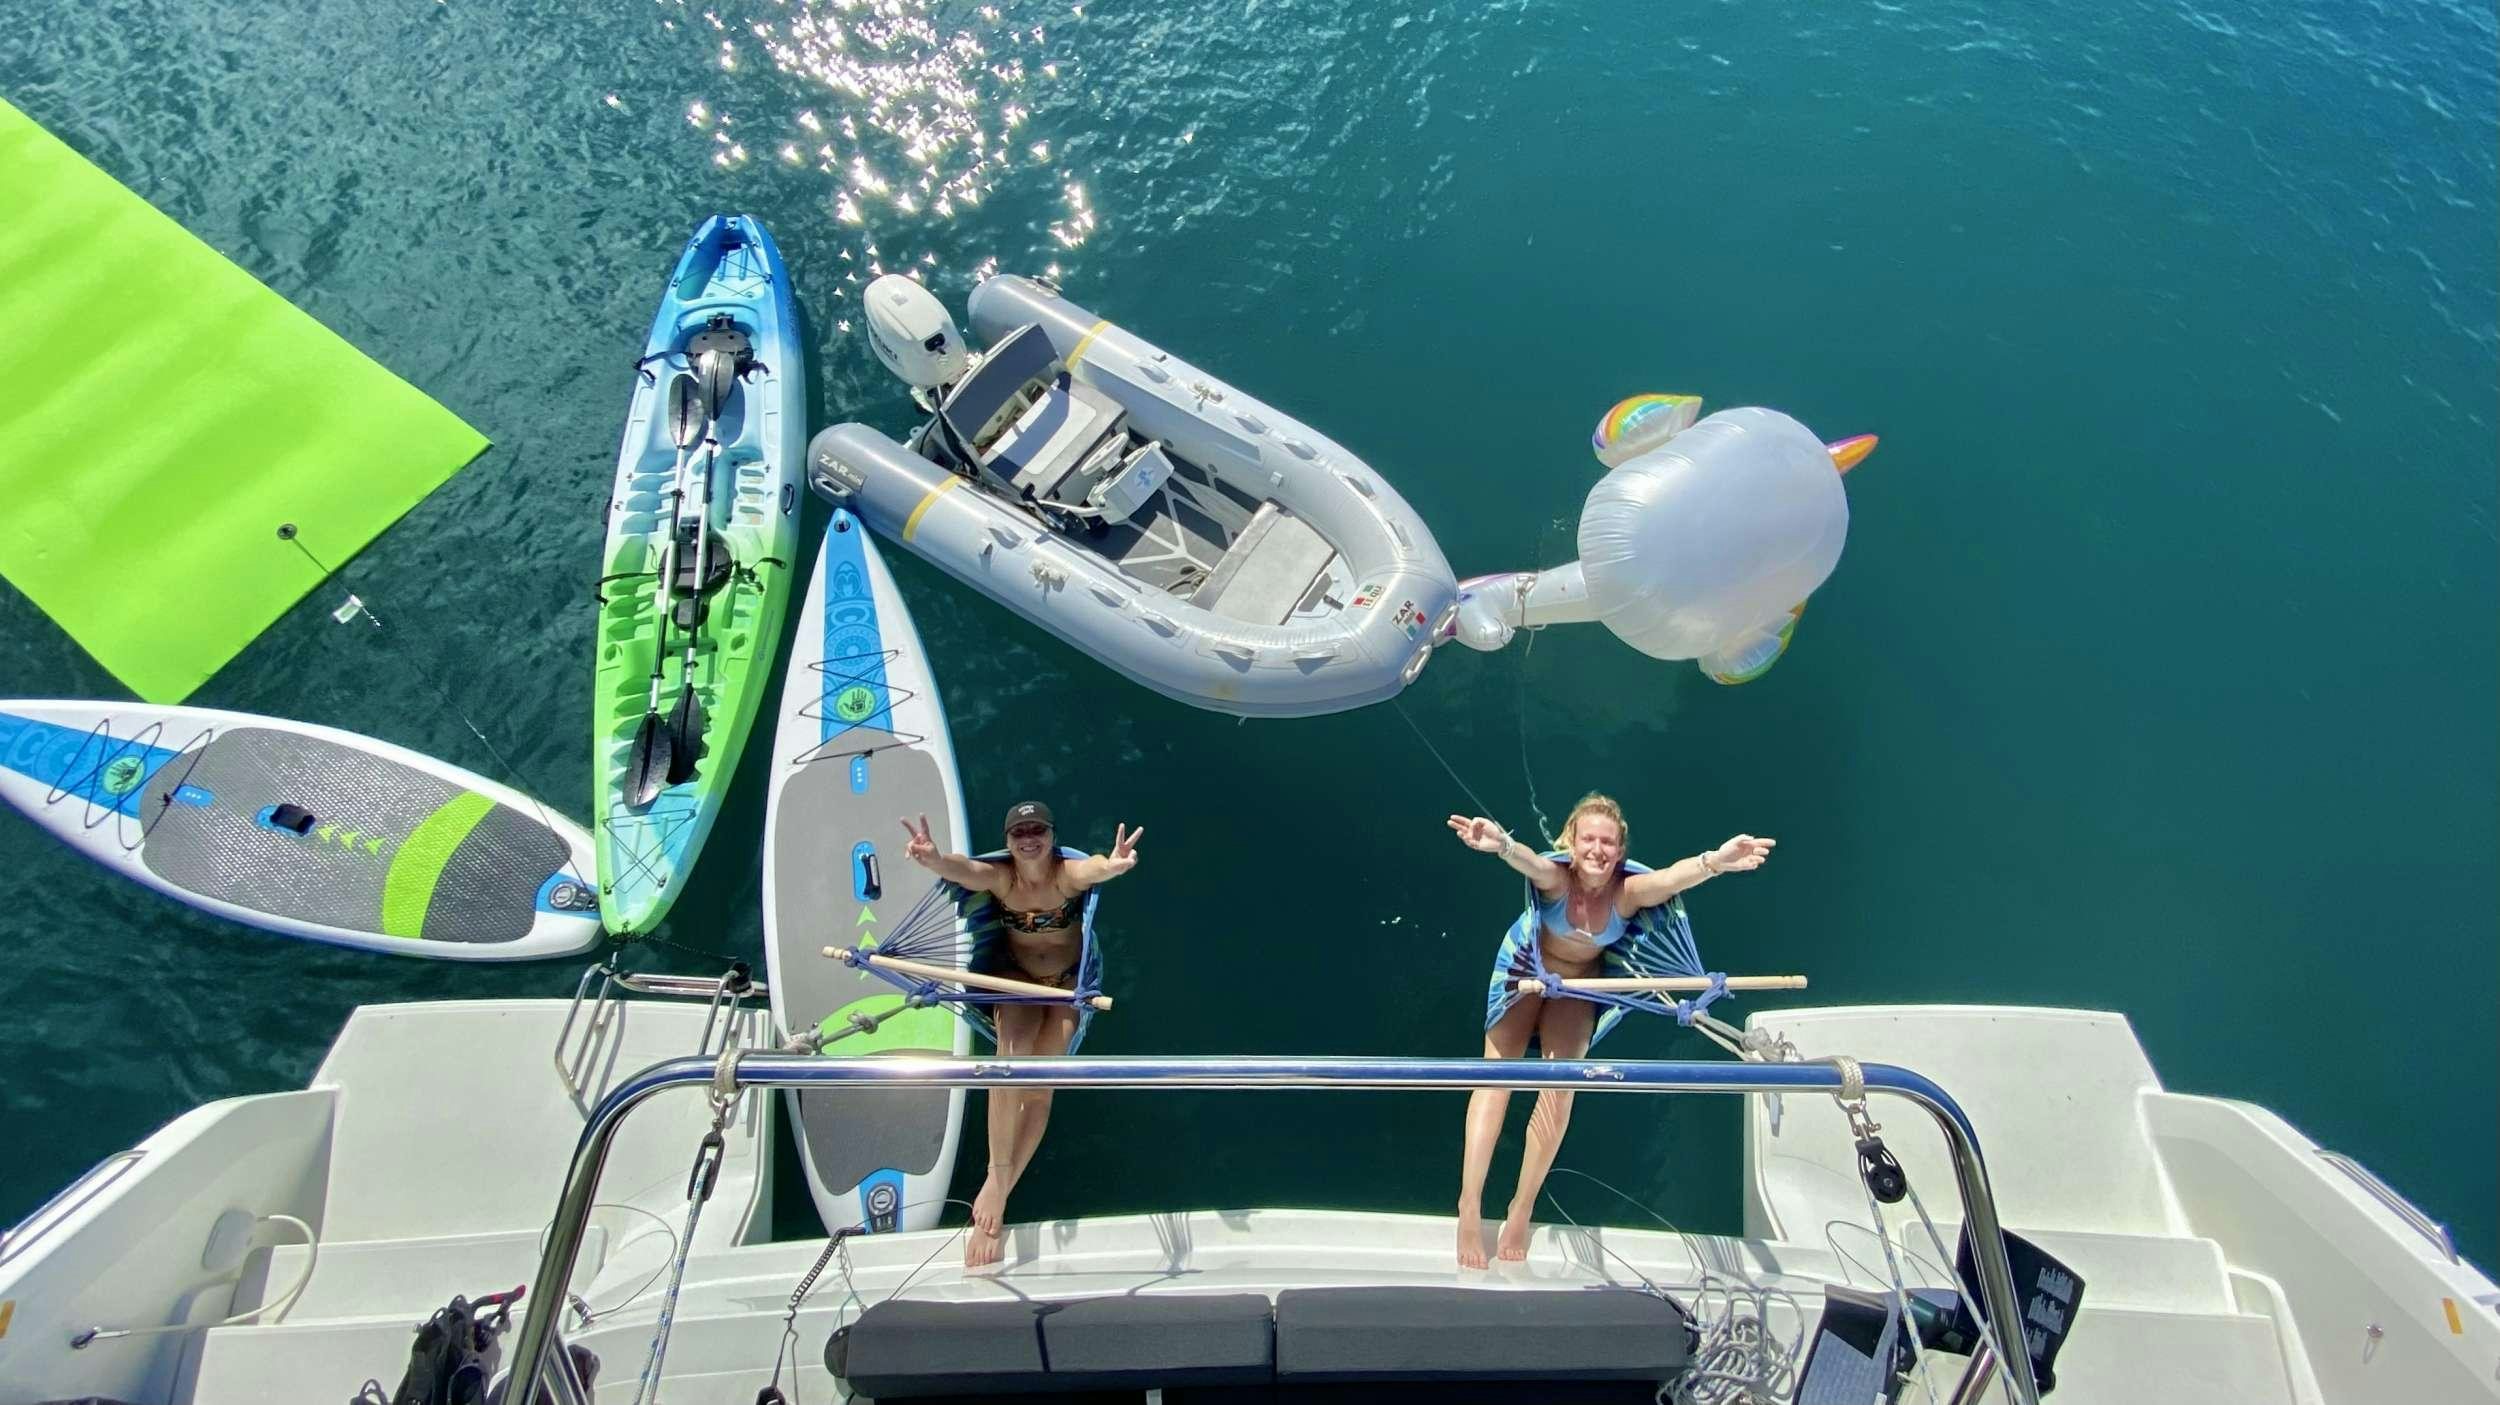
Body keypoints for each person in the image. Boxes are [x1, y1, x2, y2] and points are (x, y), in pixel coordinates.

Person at [1445, 793, 1774, 1268]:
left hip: (1579, 985)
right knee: (1496, 1080)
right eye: (1588, 840)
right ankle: (1470, 1204)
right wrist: (1502, 846)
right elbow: (1532, 864)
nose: (1597, 850)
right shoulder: (1557, 881)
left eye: (1607, 842)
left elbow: (1669, 878)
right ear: (1571, 842)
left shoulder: (1626, 894)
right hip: (1524, 966)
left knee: (1560, 1091)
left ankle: (1522, 1206)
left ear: (1620, 851)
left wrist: (1716, 862)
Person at [900, 800, 1143, 1267]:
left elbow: (1092, 869)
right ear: (1008, 842)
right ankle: (997, 1177)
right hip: (1014, 979)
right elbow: (964, 870)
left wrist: (1112, 867)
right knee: (1008, 1060)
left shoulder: (1065, 876)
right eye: (1019, 833)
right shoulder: (1002, 879)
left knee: (1039, 1085)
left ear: (1052, 836)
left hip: (1067, 985)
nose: (1029, 839)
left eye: (1038, 830)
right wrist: (933, 860)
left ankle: (998, 1190)